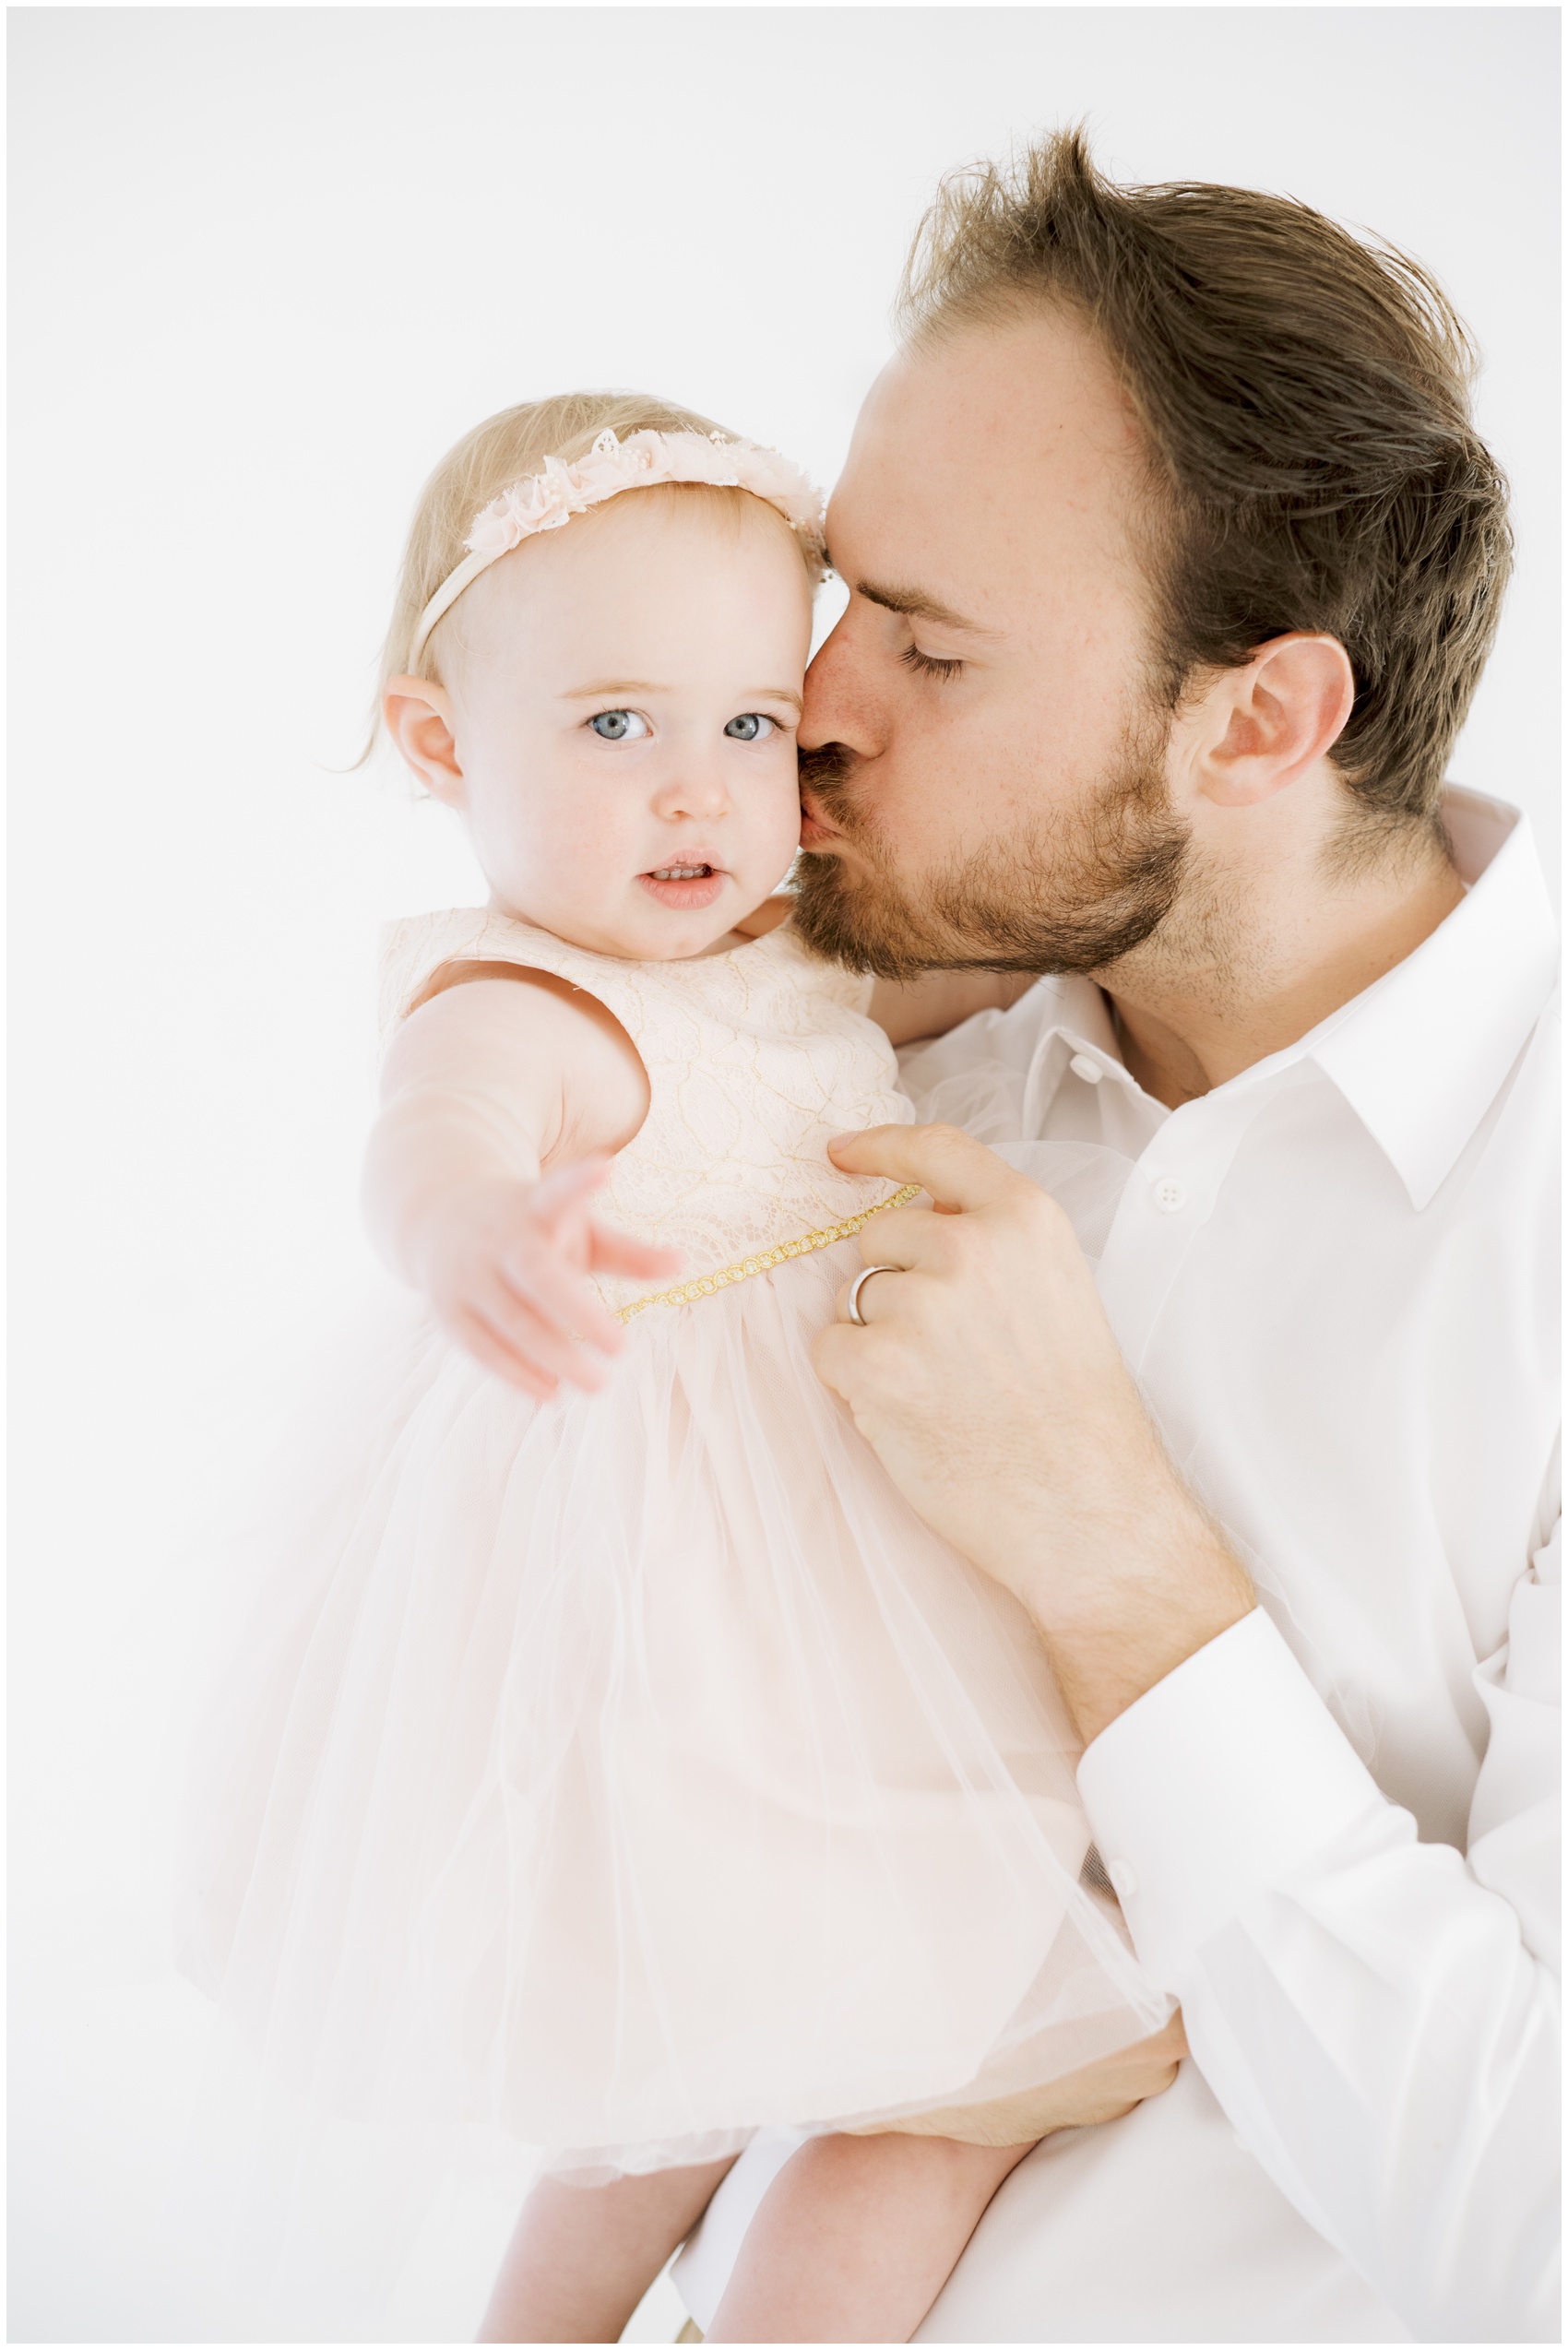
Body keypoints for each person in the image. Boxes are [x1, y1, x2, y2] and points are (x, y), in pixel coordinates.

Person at [176, 388, 1183, 2348]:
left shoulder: (787, 942)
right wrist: (472, 1233)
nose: (698, 789)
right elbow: (429, 1139)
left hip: (882, 1590)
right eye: (616, 725)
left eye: (745, 724)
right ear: (443, 742)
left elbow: (989, 965)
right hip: (686, 1635)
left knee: (901, 2071)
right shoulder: (523, 997)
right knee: (706, 2076)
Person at [672, 132, 1559, 2342]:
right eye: (837, 596)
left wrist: (1112, 1554)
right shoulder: (876, 1075)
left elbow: (1537, 2221)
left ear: (1259, 716)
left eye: (933, 649)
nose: (815, 706)